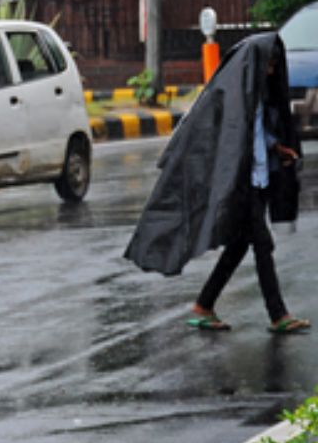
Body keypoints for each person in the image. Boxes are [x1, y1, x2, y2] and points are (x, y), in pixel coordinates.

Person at [125, 33, 309, 333]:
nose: (272, 71)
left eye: (276, 66)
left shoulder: (258, 92)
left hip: (258, 177)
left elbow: (257, 130)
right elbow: (221, 140)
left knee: (238, 245)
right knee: (262, 244)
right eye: (269, 65)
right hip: (241, 182)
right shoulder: (228, 93)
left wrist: (276, 147)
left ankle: (204, 305)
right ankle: (278, 315)